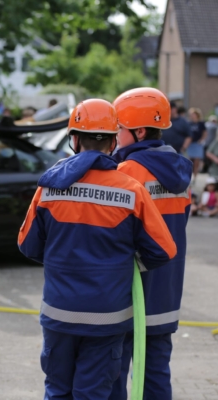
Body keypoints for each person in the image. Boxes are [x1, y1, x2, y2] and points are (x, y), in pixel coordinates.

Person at [18, 99, 177, 399]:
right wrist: (124, 264)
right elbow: (163, 250)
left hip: (58, 312)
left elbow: (28, 245)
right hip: (107, 317)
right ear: (113, 141)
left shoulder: (49, 186)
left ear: (74, 139)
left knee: (57, 390)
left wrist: (62, 259)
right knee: (92, 394)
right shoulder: (131, 190)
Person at [110, 87, 192, 400]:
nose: (115, 135)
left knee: (114, 371)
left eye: (119, 128)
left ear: (139, 131)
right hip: (166, 287)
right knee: (156, 373)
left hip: (131, 288)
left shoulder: (127, 171)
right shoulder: (181, 170)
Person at [187, 107, 207, 182]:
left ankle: (195, 177)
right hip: (190, 144)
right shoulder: (189, 123)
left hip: (197, 144)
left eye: (193, 114)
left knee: (196, 162)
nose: (192, 116)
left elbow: (205, 133)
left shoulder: (201, 123)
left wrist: (201, 140)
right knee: (189, 161)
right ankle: (189, 177)